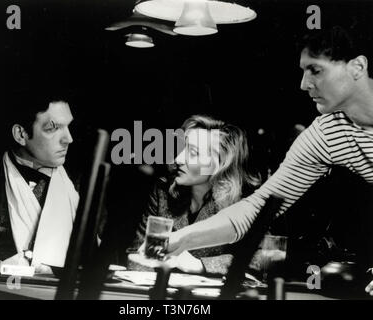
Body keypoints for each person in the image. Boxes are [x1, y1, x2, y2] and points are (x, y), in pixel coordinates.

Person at [166, 26, 373, 295]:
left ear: (357, 67)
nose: (304, 84)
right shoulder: (326, 134)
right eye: (302, 71)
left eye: (316, 70)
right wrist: (183, 237)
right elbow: (260, 207)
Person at [0, 96, 78, 275]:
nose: (69, 139)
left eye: (68, 126)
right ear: (21, 134)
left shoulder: (78, 185)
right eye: (53, 128)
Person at [129, 114, 260, 275]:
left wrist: (201, 265)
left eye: (193, 153)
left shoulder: (243, 202)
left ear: (219, 163)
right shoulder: (163, 190)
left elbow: (259, 259)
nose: (178, 158)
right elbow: (138, 255)